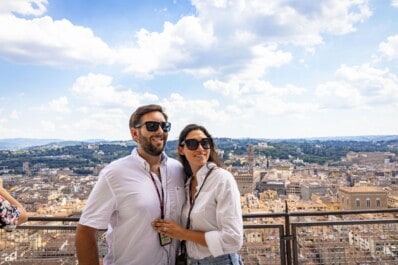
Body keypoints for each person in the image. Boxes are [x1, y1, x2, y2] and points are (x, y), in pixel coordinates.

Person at [75, 104, 186, 265]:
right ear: (135, 133)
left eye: (165, 126)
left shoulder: (178, 169)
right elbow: (85, 231)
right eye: (152, 126)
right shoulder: (114, 174)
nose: (160, 131)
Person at [152, 124, 244, 265]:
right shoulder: (188, 182)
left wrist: (183, 233)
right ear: (181, 150)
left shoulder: (222, 179)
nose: (200, 149)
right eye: (192, 144)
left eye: (205, 143)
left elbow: (234, 239)